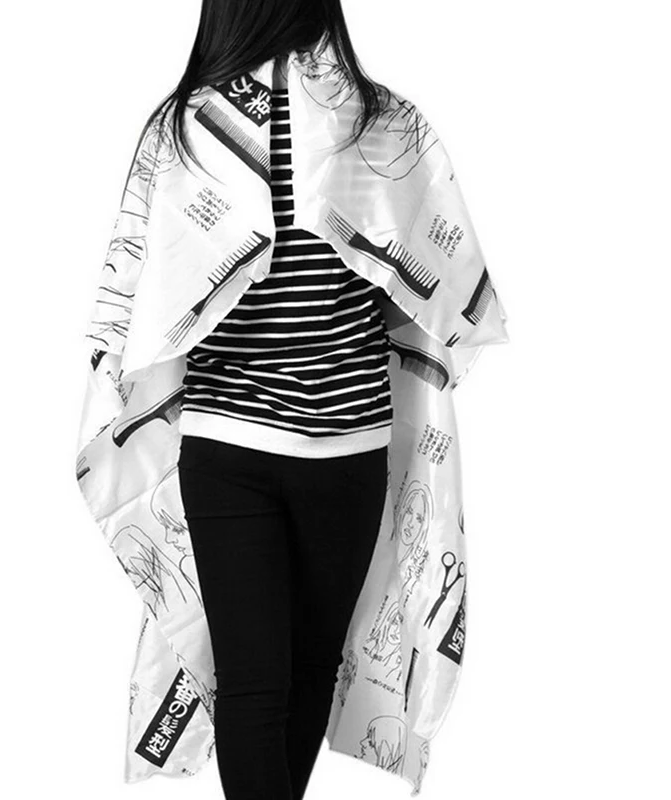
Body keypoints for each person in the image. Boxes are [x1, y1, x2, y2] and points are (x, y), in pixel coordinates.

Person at [75, 0, 509, 796]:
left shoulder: (183, 131)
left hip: (232, 450)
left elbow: (137, 310)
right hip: (344, 449)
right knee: (305, 670)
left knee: (256, 684)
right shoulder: (383, 124)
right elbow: (434, 299)